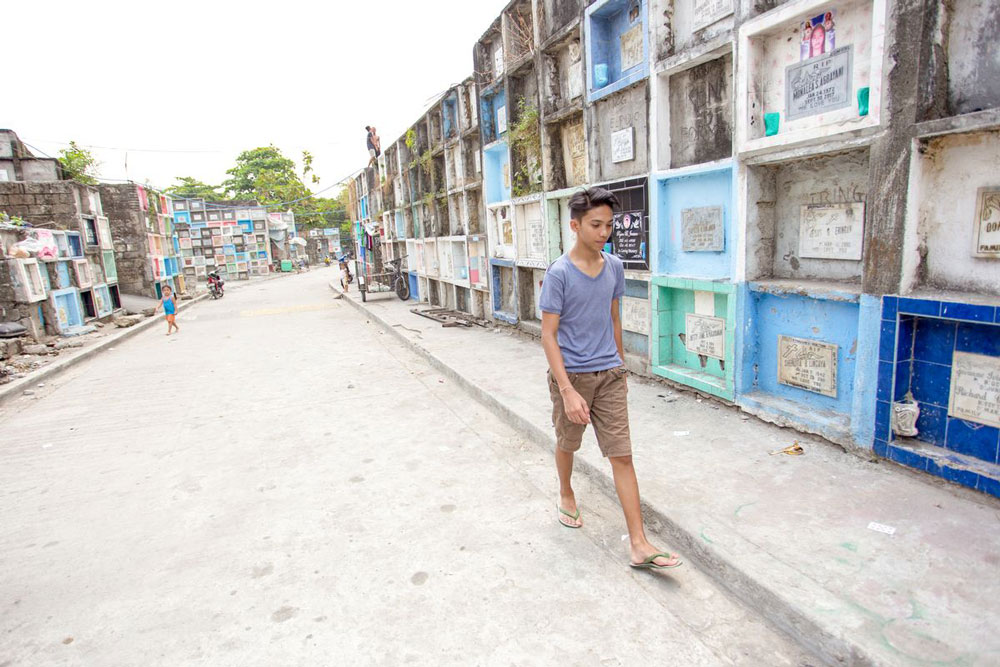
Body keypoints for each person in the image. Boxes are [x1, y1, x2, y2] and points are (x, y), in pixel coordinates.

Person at [539, 187, 682, 570]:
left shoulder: (615, 267)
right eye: (596, 224)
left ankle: (639, 543)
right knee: (568, 443)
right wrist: (567, 390)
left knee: (622, 455)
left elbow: (613, 316)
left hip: (610, 376)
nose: (604, 232)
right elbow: (548, 335)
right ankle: (566, 492)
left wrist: (619, 364)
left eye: (609, 224)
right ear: (575, 225)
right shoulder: (559, 274)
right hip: (573, 377)